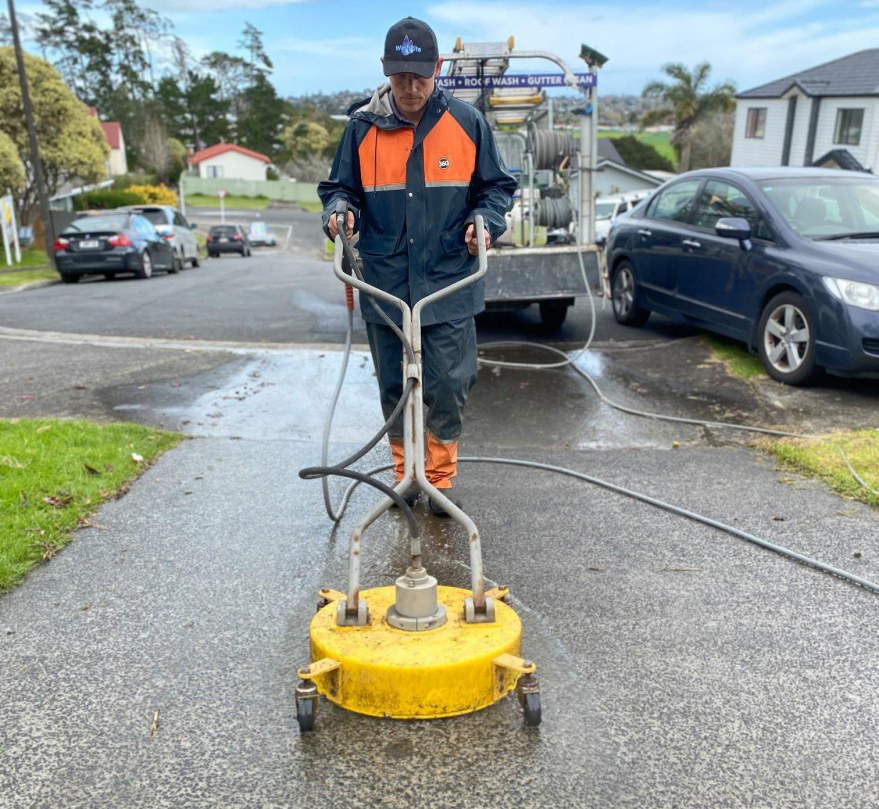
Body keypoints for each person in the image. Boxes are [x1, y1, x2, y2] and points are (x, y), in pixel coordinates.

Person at [319, 16, 516, 516]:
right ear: (385, 70)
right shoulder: (362, 127)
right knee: (395, 387)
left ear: (438, 69)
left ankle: (440, 479)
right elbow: (340, 188)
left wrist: (485, 220)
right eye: (399, 76)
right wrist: (339, 211)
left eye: (419, 77)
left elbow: (496, 189)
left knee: (448, 383)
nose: (409, 88)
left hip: (449, 279)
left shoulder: (467, 123)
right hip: (384, 284)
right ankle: (406, 476)